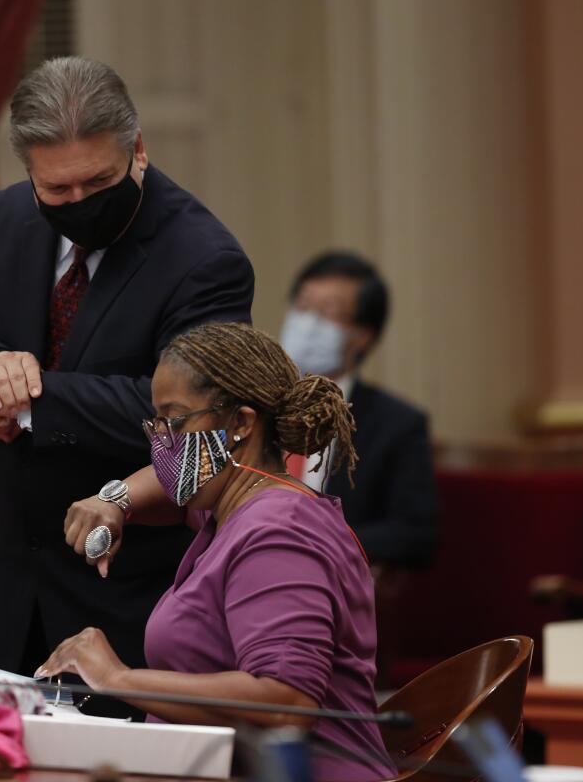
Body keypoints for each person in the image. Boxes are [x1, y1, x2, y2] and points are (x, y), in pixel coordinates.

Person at [0, 57, 254, 682]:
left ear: (139, 151)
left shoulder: (205, 260)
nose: (78, 203)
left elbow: (189, 424)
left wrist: (27, 399)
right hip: (20, 574)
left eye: (98, 184)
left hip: (138, 587)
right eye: (57, 191)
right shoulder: (4, 220)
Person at [45, 322, 395, 782]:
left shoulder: (278, 533)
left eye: (174, 420)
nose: (160, 442)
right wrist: (116, 502)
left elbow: (286, 702)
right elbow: (170, 497)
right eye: (156, 422)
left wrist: (116, 678)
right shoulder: (233, 509)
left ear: (241, 424)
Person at [279, 251, 439, 569]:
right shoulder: (252, 407)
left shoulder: (397, 424)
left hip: (332, 581)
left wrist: (321, 542)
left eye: (328, 313)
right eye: (303, 307)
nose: (307, 323)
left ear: (362, 336)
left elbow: (416, 534)